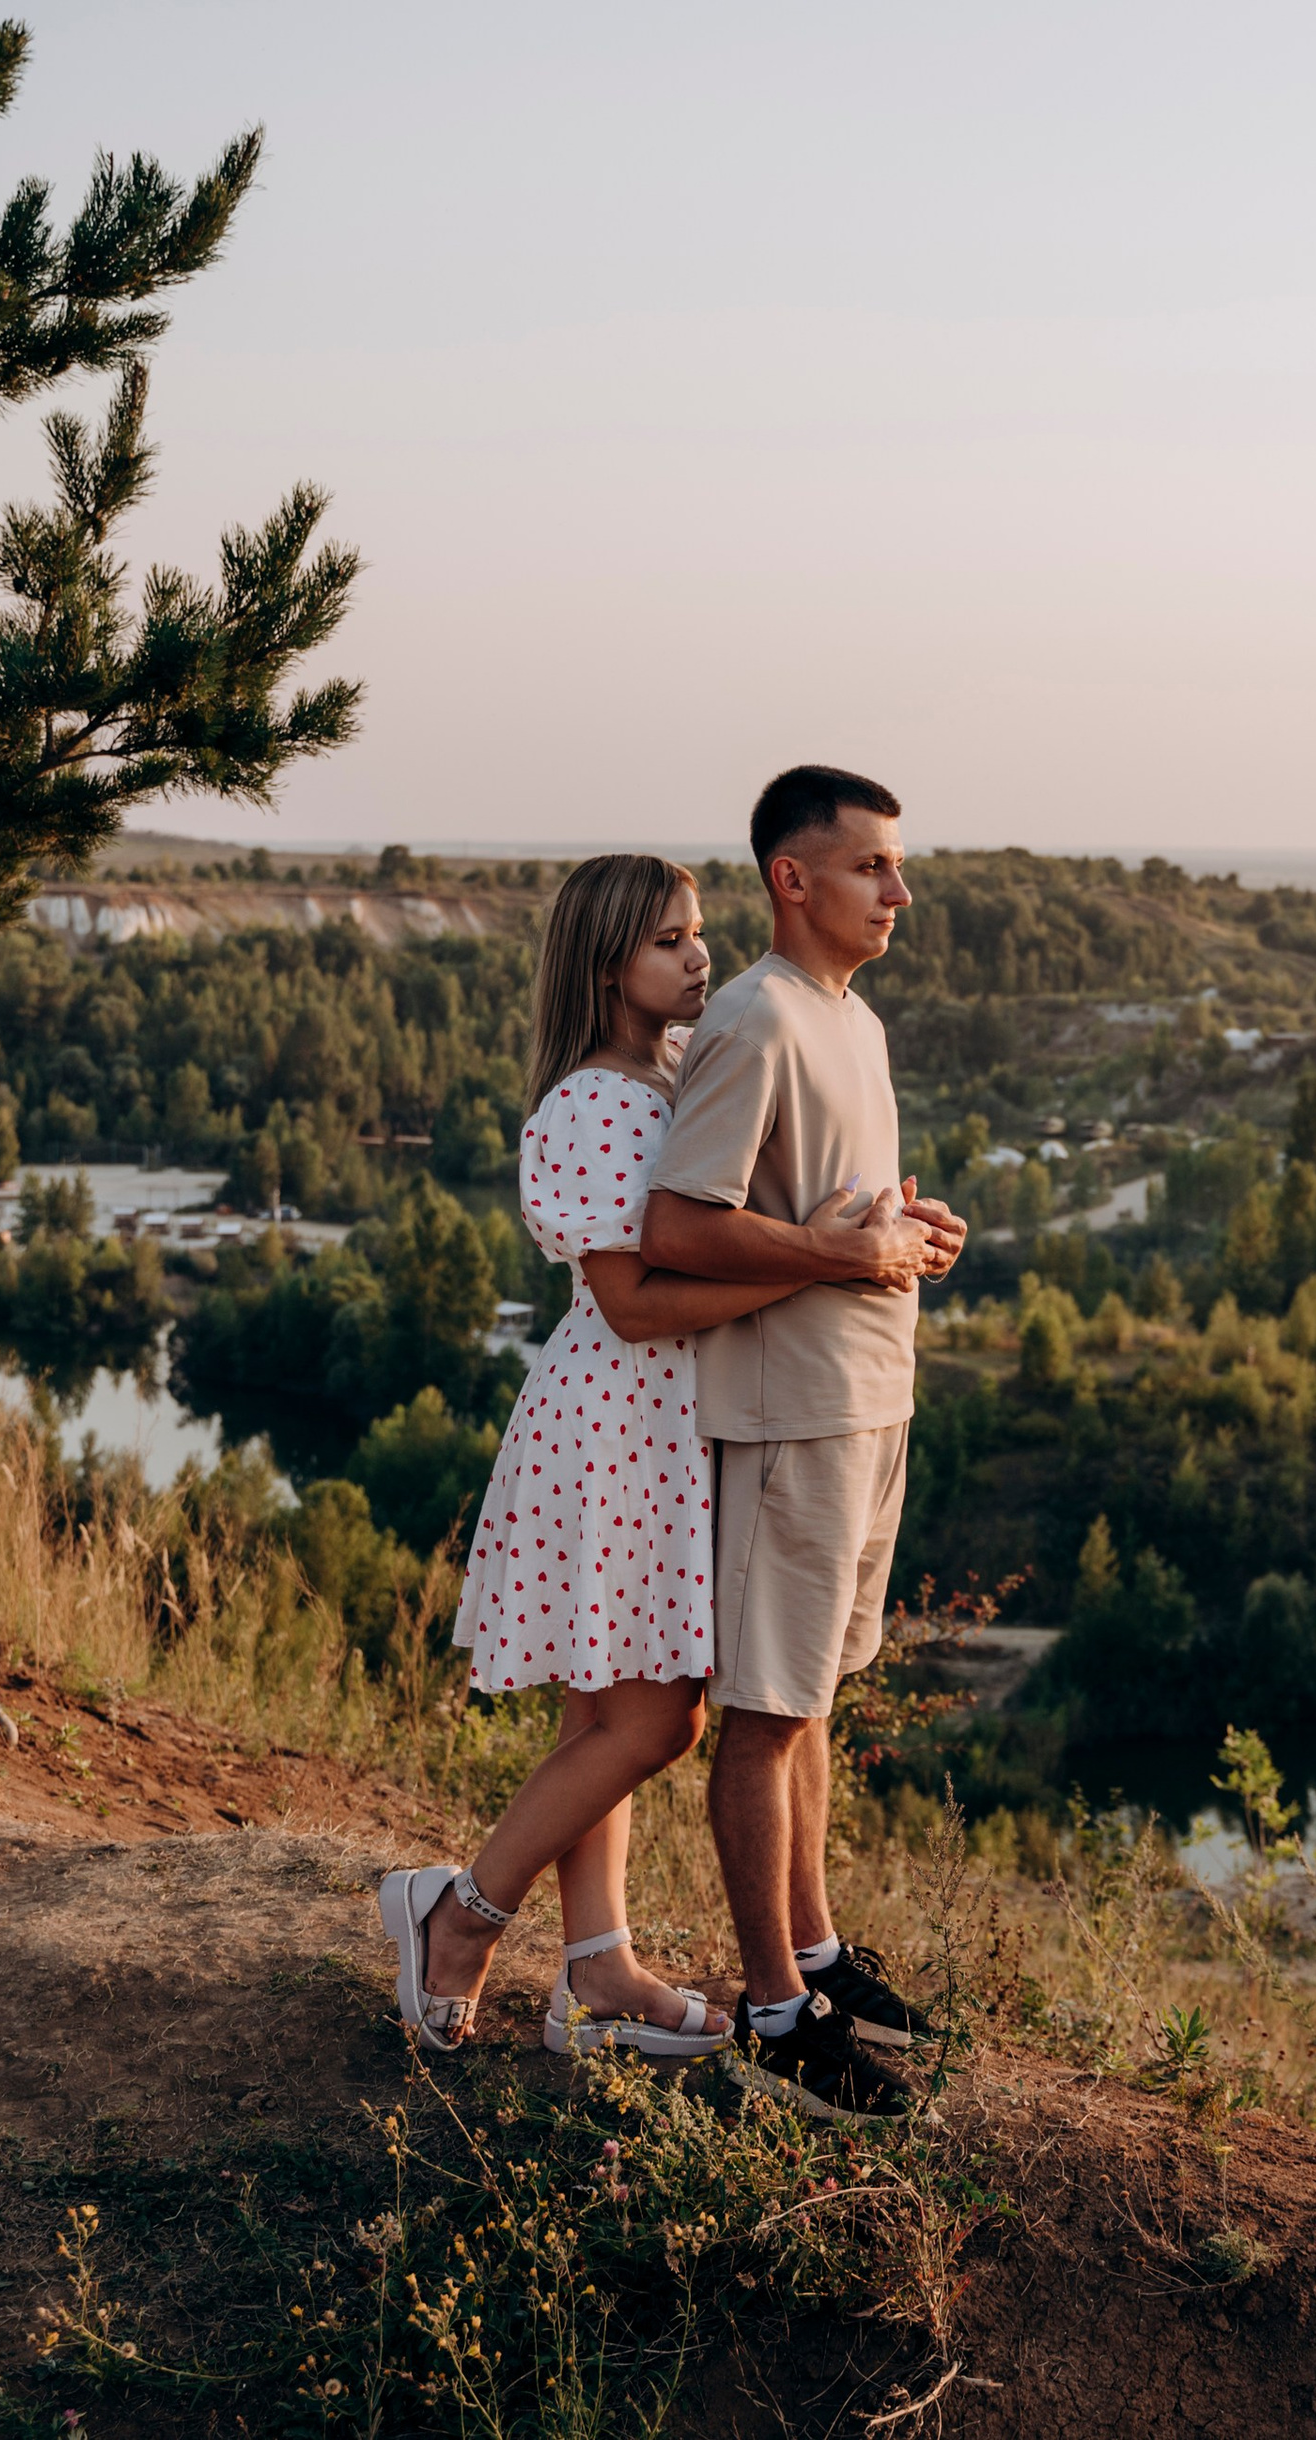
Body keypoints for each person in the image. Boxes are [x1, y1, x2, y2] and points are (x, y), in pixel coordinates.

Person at [376, 853, 921, 2059]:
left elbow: (723, 1241)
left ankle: (600, 1970)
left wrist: (845, 1237)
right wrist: (827, 1259)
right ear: (605, 962)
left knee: (599, 1716)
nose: (698, 955)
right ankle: (458, 1914)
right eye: (669, 940)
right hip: (619, 1424)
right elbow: (630, 1301)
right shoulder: (592, 1099)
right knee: (657, 1723)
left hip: (662, 1422)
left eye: (699, 934)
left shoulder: (666, 1072)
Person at [641, 766, 966, 2119]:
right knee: (767, 1715)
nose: (900, 890)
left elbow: (837, 1224)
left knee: (814, 1700)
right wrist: (844, 1251)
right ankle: (773, 2014)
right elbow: (678, 1226)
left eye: (896, 867)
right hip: (785, 1414)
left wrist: (904, 1234)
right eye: (872, 867)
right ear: (793, 879)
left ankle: (818, 1956)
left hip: (865, 1398)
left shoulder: (852, 1021)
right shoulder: (755, 1022)